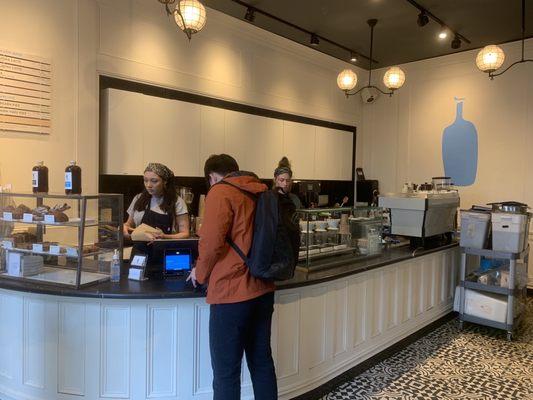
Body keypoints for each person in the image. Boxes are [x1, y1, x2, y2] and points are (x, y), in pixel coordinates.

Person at [187, 154, 277, 400]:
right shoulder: (261, 190)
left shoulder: (220, 192)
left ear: (212, 176)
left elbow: (211, 242)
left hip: (231, 292)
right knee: (262, 363)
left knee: (226, 372)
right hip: (263, 287)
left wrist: (200, 273)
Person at [123, 163, 190, 241]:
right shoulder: (138, 198)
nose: (148, 185)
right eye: (145, 180)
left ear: (165, 182)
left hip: (163, 249)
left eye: (154, 181)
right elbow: (129, 223)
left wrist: (164, 236)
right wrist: (125, 227)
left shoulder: (177, 202)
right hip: (139, 249)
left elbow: (185, 233)